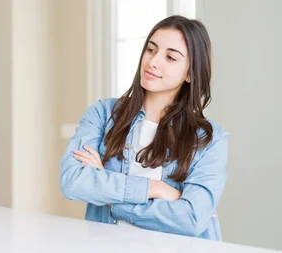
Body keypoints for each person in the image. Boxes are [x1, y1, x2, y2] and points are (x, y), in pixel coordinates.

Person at [59, 15, 228, 241]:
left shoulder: (210, 139)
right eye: (151, 50)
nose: (153, 62)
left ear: (190, 73)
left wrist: (109, 194)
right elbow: (73, 181)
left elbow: (192, 218)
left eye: (170, 57)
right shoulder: (103, 114)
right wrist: (155, 189)